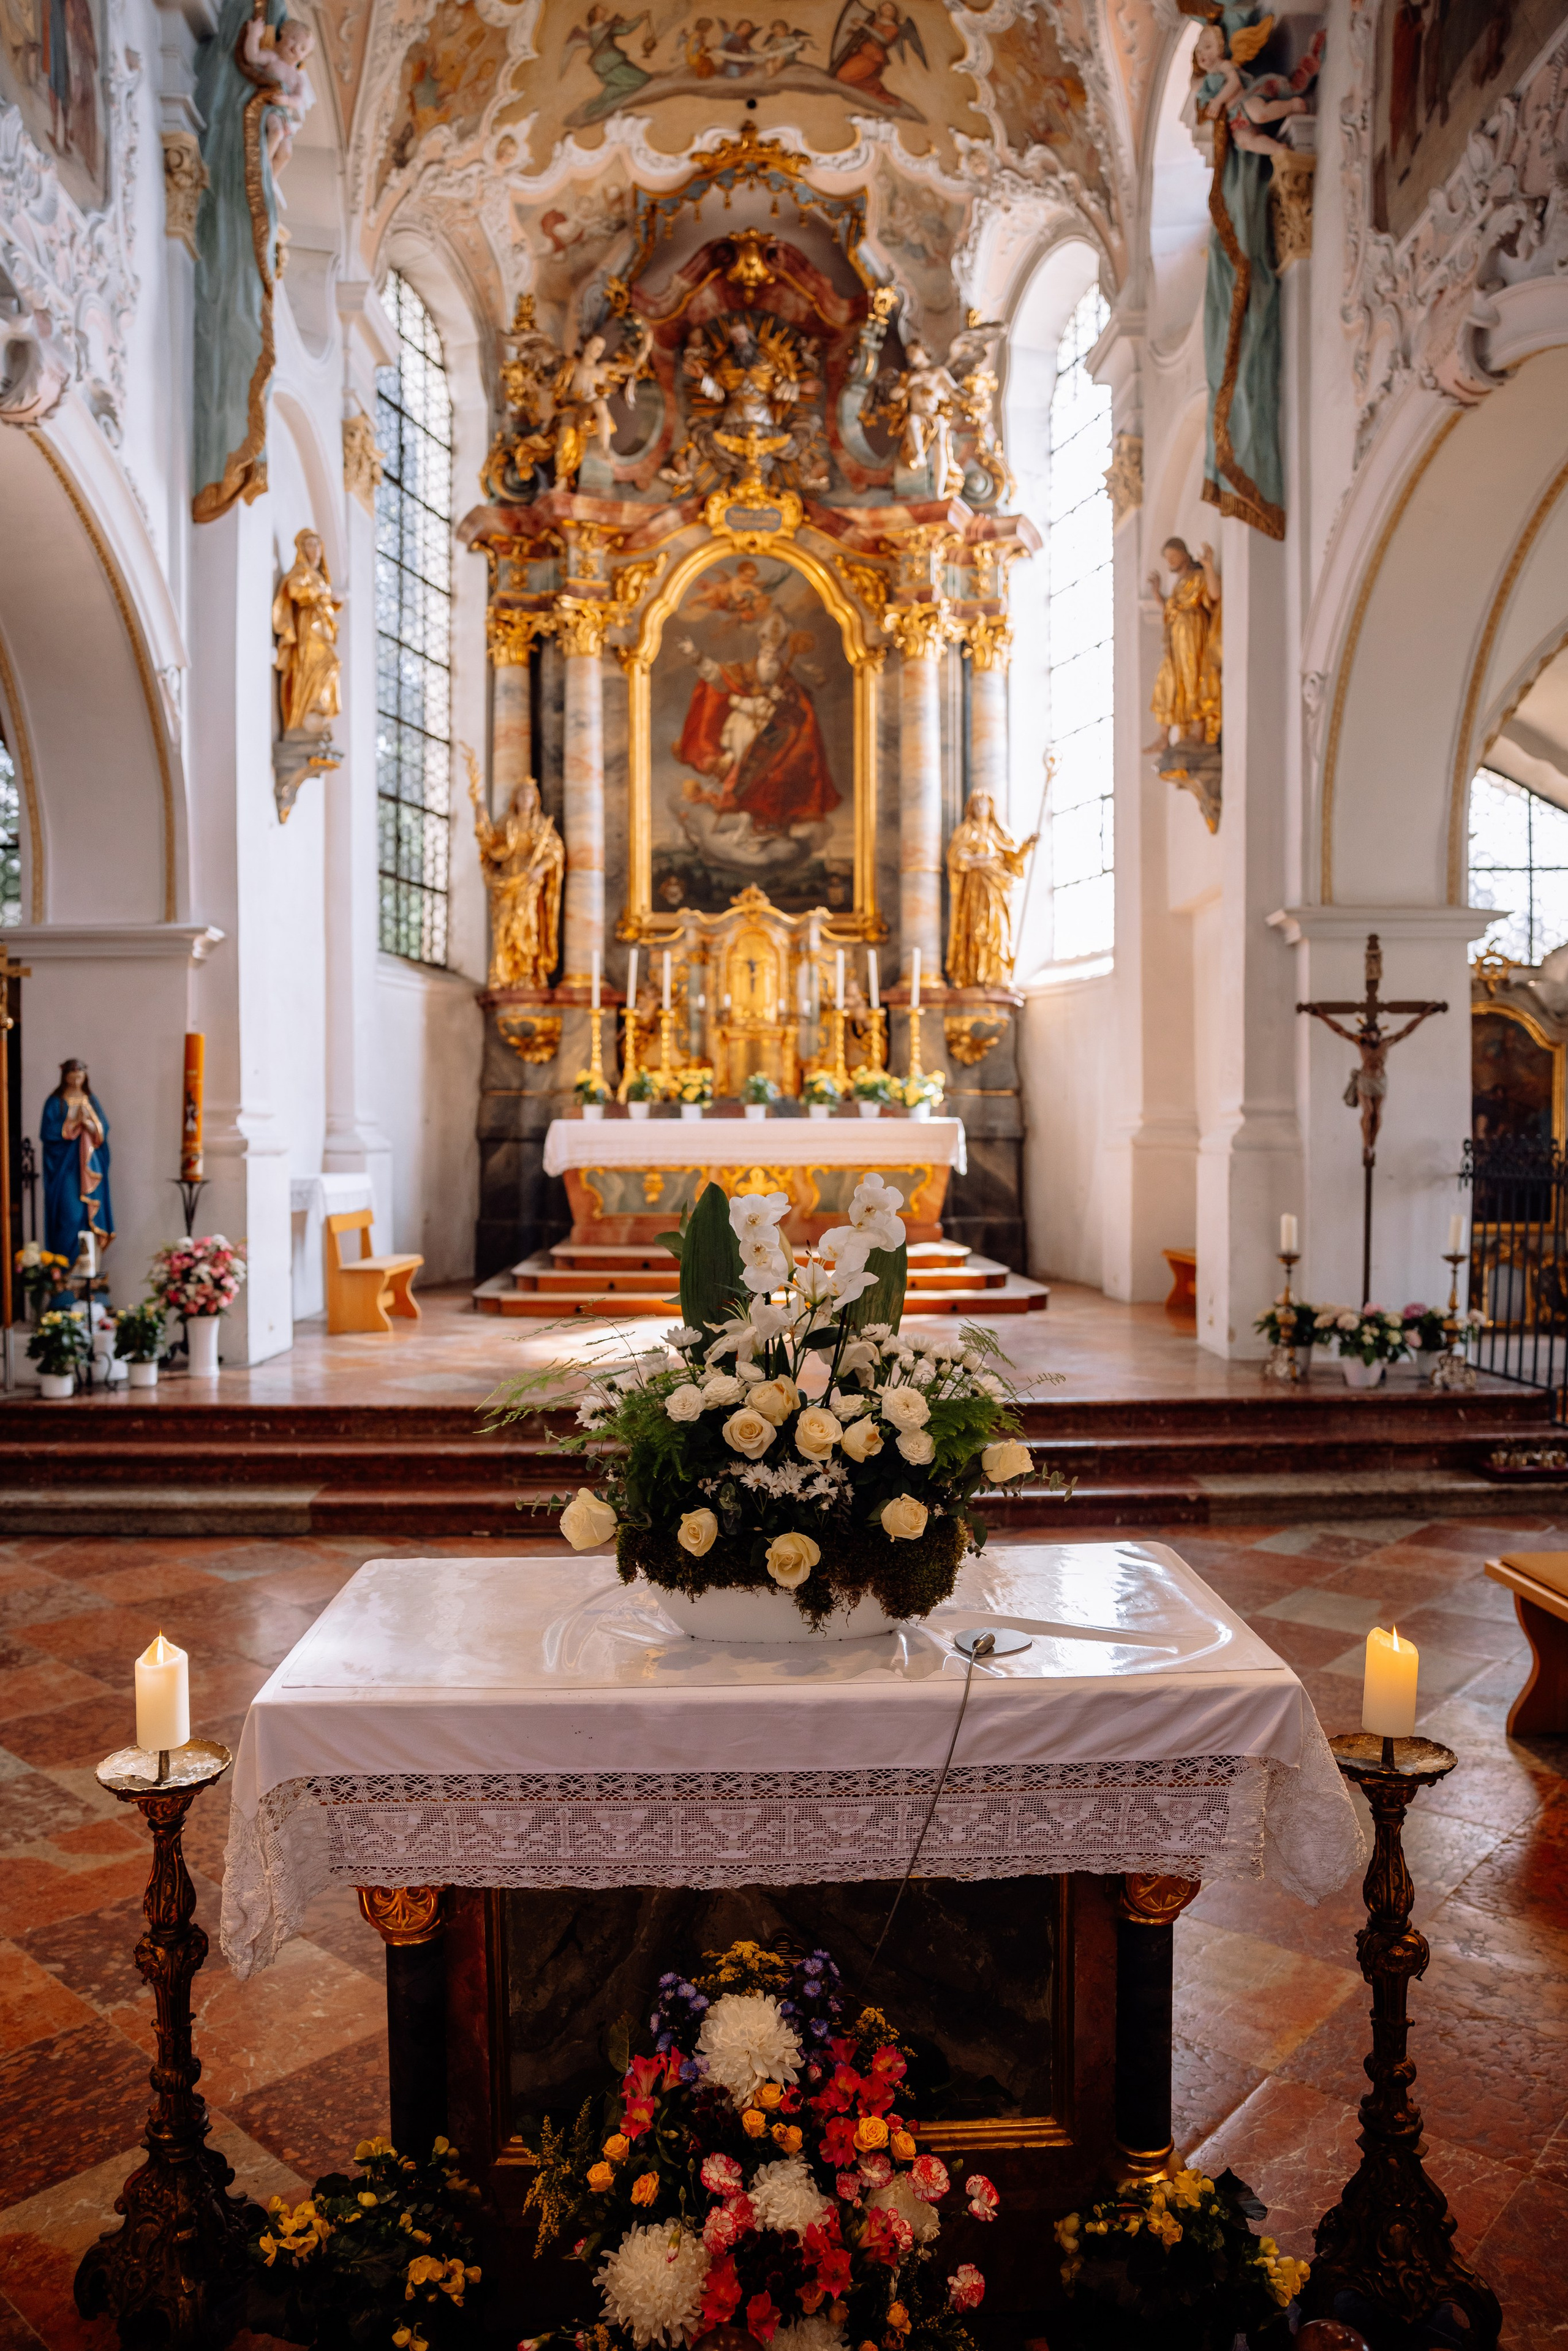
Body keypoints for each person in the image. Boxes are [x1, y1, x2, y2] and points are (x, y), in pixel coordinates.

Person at [675, 613, 839, 835]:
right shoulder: (743, 672)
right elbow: (717, 676)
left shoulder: (787, 680)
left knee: (771, 776)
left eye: (774, 654)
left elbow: (799, 711)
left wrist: (781, 698)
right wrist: (695, 655)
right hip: (741, 731)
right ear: (760, 652)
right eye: (766, 653)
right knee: (737, 773)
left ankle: (765, 823)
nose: (770, 658)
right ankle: (731, 819)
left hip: (773, 735)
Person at [945, 792, 1035, 989]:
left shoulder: (999, 832)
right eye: (976, 803)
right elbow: (955, 856)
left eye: (984, 803)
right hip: (974, 891)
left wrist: (1027, 846)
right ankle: (972, 974)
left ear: (991, 807)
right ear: (971, 807)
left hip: (997, 888)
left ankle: (998, 975)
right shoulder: (966, 830)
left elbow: (1013, 857)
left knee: (998, 928)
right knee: (977, 928)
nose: (980, 807)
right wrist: (973, 861)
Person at [1147, 537, 1223, 751]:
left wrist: (1208, 566)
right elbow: (1171, 611)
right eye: (1167, 558)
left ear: (1184, 553)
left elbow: (1215, 595)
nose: (1169, 560)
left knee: (1193, 678)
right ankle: (1164, 736)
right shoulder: (1179, 585)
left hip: (1192, 636)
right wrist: (1157, 595)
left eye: (1172, 555)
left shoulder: (1198, 577)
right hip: (1175, 643)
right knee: (1169, 682)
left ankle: (1199, 731)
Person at [42, 1060, 113, 1263]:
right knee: (70, 1215)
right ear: (65, 1076)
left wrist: (90, 1125)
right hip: (66, 1169)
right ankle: (66, 1270)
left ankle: (87, 1268)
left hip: (90, 1168)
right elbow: (47, 1132)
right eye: (72, 1074)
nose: (76, 1078)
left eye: (80, 1074)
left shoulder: (91, 1100)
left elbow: (103, 1131)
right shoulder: (56, 1101)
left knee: (88, 1218)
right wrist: (72, 1124)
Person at [271, 529, 343, 733]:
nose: (316, 550)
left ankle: (317, 705)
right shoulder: (301, 571)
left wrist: (332, 599)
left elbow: (325, 597)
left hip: (323, 628)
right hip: (308, 627)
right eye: (311, 544)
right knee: (321, 663)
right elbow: (294, 591)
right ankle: (303, 712)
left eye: (318, 544)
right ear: (302, 548)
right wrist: (317, 593)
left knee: (332, 664)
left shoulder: (319, 575)